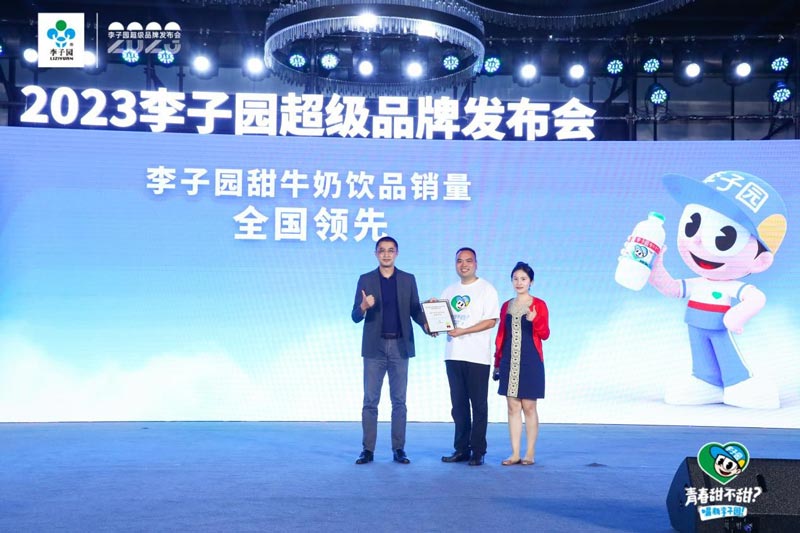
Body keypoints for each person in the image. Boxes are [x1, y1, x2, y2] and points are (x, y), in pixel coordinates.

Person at [351, 236, 428, 465]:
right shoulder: (365, 279)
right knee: (370, 401)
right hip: (374, 348)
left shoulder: (408, 279)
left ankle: (399, 449)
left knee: (399, 401)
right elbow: (355, 316)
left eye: (390, 250)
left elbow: (415, 310)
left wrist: (427, 325)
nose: (386, 254)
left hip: (400, 346)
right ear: (376, 253)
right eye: (382, 250)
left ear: (397, 253)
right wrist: (363, 306)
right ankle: (367, 450)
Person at [436, 248, 499, 466]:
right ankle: (461, 449)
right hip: (453, 355)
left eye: (468, 261)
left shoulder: (487, 289)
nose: (464, 265)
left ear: (476, 264)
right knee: (458, 406)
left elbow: (491, 321)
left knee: (478, 406)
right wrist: (431, 325)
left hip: (477, 357)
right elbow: (440, 321)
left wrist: (464, 331)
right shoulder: (449, 290)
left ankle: (478, 451)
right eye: (459, 261)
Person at [493, 262, 550, 466]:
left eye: (523, 279)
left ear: (531, 282)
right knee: (512, 406)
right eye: (515, 279)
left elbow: (545, 334)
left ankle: (530, 453)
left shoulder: (539, 304)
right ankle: (515, 453)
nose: (519, 282)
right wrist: (497, 361)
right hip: (509, 360)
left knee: (529, 407)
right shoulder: (506, 306)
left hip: (531, 360)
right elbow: (501, 335)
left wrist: (536, 320)